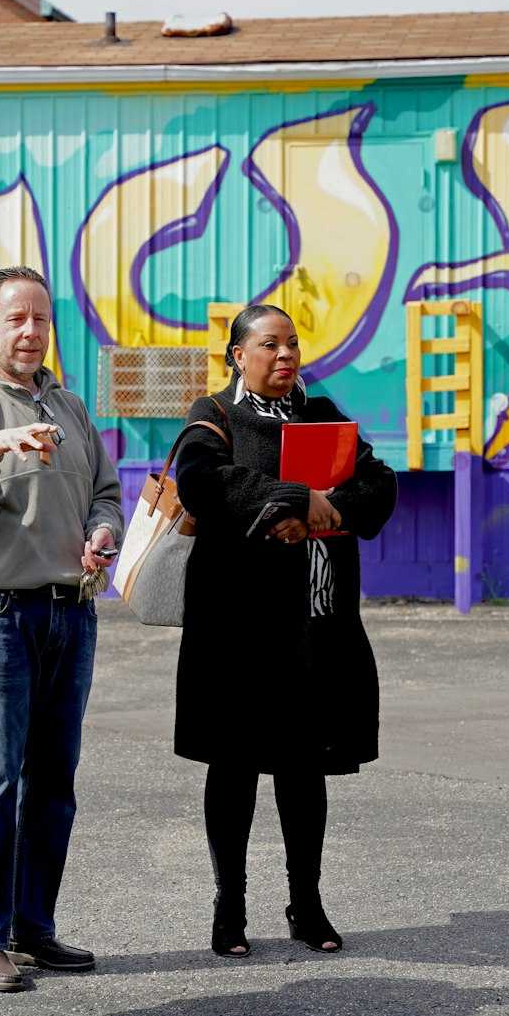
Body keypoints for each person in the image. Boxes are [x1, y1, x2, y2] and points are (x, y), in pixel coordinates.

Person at [171, 303, 397, 958]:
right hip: (238, 630)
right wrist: (296, 495)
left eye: (292, 343)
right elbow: (200, 481)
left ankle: (307, 903)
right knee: (234, 766)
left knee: (305, 768)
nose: (285, 355)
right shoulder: (211, 415)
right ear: (238, 354)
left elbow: (379, 486)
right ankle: (229, 907)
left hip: (316, 627)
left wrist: (324, 515)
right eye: (269, 345)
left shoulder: (323, 414)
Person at [0, 266, 123, 992]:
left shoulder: (71, 409)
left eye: (40, 318)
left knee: (53, 783)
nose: (32, 331)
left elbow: (106, 491)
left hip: (71, 612)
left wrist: (103, 532)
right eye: (16, 318)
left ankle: (32, 924)